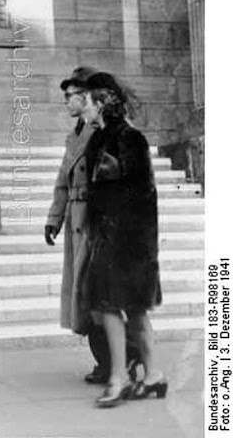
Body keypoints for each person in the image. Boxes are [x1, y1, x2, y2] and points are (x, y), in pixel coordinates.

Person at [44, 67, 140, 385]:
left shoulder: (108, 130)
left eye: (71, 95)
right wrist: (54, 219)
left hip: (100, 223)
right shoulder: (75, 135)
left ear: (87, 95)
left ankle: (123, 358)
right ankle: (109, 361)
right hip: (77, 222)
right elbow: (62, 180)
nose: (66, 101)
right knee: (87, 297)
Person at [83, 71, 167, 408]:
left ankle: (118, 380)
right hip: (122, 239)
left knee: (112, 308)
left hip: (124, 241)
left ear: (101, 102)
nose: (82, 108)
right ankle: (154, 376)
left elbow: (142, 194)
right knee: (133, 309)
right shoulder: (98, 140)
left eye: (87, 101)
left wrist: (117, 234)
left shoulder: (129, 139)